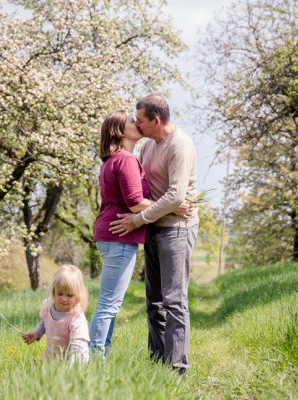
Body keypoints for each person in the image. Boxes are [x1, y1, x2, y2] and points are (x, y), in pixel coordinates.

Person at [89, 109, 191, 358]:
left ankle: (100, 354)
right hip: (118, 236)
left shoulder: (115, 159)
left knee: (110, 302)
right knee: (108, 303)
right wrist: (175, 206)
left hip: (112, 235)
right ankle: (93, 358)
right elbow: (135, 202)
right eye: (131, 122)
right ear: (120, 132)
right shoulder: (125, 159)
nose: (136, 123)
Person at [109, 95, 199, 375]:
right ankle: (157, 362)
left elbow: (175, 195)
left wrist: (137, 219)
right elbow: (146, 189)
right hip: (155, 227)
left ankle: (177, 369)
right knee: (154, 302)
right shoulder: (148, 146)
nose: (136, 124)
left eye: (140, 120)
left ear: (156, 121)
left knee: (174, 301)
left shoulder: (179, 145)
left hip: (176, 229)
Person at [21, 264, 90, 364]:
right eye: (60, 293)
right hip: (52, 359)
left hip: (74, 361)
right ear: (53, 292)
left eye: (69, 295)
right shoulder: (49, 308)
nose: (64, 299)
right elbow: (46, 322)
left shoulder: (76, 318)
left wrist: (70, 370)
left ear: (78, 296)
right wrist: (37, 333)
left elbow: (78, 349)